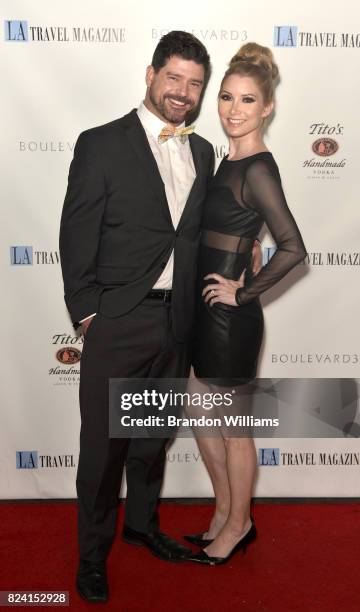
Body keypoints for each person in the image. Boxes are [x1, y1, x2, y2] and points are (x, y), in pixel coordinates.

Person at [60, 30, 261, 602]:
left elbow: (204, 232)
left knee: (151, 438)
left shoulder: (202, 152)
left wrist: (247, 261)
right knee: (104, 449)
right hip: (117, 321)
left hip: (178, 323)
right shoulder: (100, 143)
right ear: (150, 76)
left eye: (195, 84)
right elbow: (75, 233)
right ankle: (92, 557)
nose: (183, 92)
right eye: (173, 78)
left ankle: (142, 528)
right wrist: (87, 315)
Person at [184, 42, 307, 565]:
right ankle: (223, 510)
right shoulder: (222, 158)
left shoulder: (258, 167)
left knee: (234, 430)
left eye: (248, 101)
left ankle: (239, 523)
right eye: (227, 97)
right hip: (202, 312)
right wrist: (247, 245)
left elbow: (295, 248)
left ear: (268, 108)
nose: (234, 110)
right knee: (199, 411)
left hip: (230, 320)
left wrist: (244, 290)